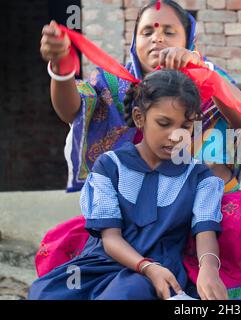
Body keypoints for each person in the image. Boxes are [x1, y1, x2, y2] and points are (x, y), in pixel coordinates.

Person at [36, 0, 241, 299]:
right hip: (128, 217)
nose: (157, 38)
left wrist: (201, 69)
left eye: (168, 31)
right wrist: (62, 68)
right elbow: (71, 108)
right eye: (147, 31)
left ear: (188, 41)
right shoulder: (112, 84)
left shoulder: (206, 81)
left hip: (197, 208)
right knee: (66, 246)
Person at [29, 69, 228, 300]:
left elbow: (206, 234)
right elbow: (110, 238)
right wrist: (145, 266)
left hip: (159, 269)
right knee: (44, 293)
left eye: (185, 126)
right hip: (103, 263)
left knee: (127, 292)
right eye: (164, 123)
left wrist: (209, 270)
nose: (175, 136)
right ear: (139, 117)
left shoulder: (200, 176)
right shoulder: (109, 166)